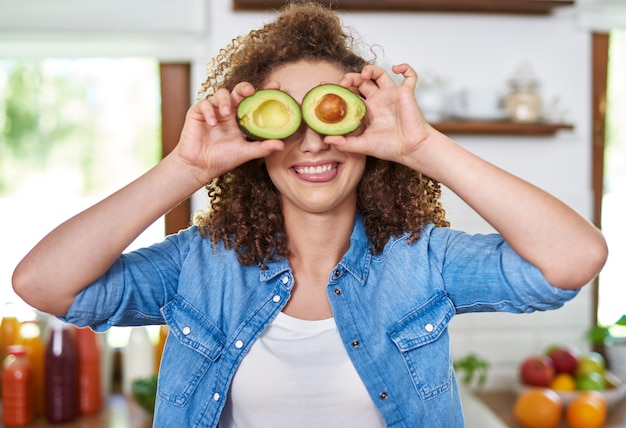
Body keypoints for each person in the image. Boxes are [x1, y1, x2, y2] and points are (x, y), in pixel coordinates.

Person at [12, 2, 607, 427]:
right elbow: (42, 283)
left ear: (365, 130)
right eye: (285, 121)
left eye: (329, 116)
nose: (312, 142)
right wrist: (186, 169)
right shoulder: (197, 265)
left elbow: (573, 259)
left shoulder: (424, 260)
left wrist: (425, 147)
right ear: (255, 144)